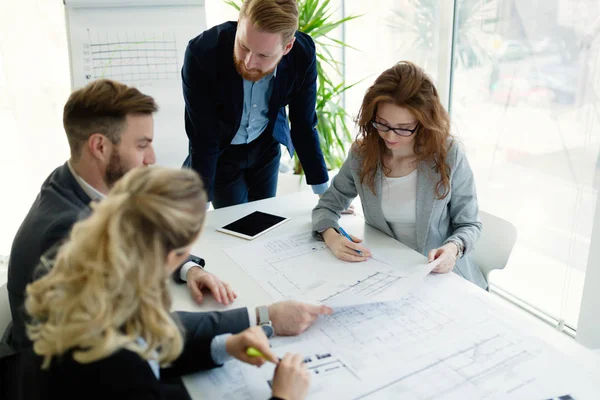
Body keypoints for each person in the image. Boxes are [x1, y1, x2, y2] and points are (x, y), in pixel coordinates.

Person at [5, 79, 332, 353]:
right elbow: (143, 328)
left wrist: (187, 266)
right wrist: (262, 316)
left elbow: (136, 232)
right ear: (100, 147)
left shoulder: (81, 182)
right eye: (142, 145)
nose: (152, 158)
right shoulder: (66, 233)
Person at [20, 167, 311, 399]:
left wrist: (225, 346)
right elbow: (136, 362)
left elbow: (148, 338)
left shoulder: (94, 278)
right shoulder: (119, 363)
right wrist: (284, 397)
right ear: (169, 257)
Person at [312, 61, 486, 289]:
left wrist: (453, 249)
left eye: (403, 128)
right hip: (385, 273)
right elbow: (326, 206)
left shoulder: (448, 155)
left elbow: (470, 224)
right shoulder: (363, 154)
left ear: (424, 122)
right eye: (382, 124)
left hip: (440, 276)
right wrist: (332, 237)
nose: (390, 136)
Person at [182, 0, 330, 208]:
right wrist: (200, 204)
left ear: (287, 47)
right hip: (223, 152)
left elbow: (303, 124)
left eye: (263, 55)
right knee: (236, 224)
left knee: (264, 219)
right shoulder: (202, 53)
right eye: (243, 46)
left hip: (266, 146)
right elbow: (202, 135)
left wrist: (324, 192)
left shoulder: (302, 55)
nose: (249, 62)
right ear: (240, 22)